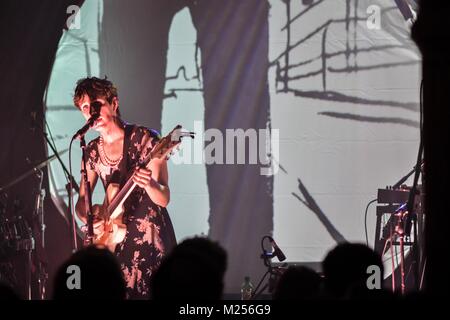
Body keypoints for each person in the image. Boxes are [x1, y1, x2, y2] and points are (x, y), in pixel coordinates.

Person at [73, 76, 177, 299]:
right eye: (84, 107)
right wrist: (89, 218)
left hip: (149, 238)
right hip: (114, 243)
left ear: (114, 103)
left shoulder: (146, 139)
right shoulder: (90, 152)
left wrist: (148, 182)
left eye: (96, 104)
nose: (91, 111)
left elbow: (164, 198)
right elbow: (82, 202)